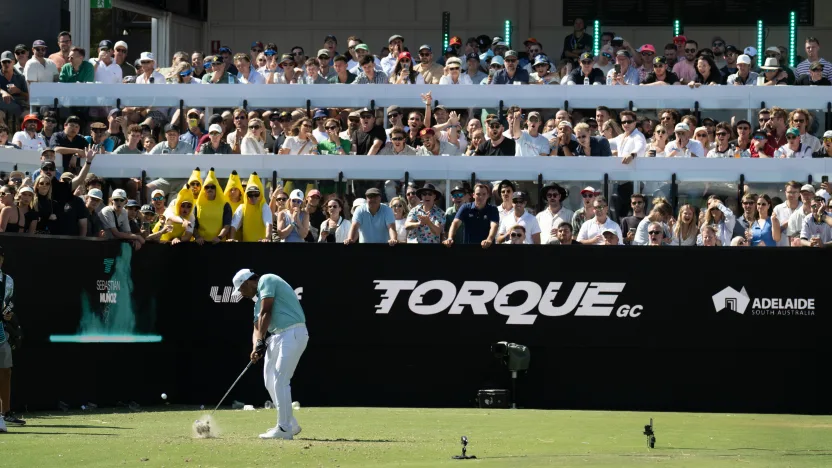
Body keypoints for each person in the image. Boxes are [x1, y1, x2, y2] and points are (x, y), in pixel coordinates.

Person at [233, 269, 308, 440]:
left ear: (246, 282)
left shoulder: (266, 279)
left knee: (281, 380)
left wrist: (260, 342)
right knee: (269, 381)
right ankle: (291, 424)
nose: (241, 294)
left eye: (241, 289)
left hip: (292, 332)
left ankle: (283, 428)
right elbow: (256, 328)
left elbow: (267, 311)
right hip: (276, 337)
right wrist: (256, 346)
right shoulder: (256, 302)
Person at [0, 245, 23, 432]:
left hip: (1, 333)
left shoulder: (8, 280)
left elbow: (9, 303)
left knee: (6, 371)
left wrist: (7, 314)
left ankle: (5, 413)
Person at [445, 183, 499, 249]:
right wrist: (450, 238)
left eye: (484, 194)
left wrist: (489, 239)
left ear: (488, 195)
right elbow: (455, 223)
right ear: (473, 195)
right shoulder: (465, 207)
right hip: (468, 250)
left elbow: (494, 225)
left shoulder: (493, 209)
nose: (481, 197)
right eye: (478, 194)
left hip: (487, 249)